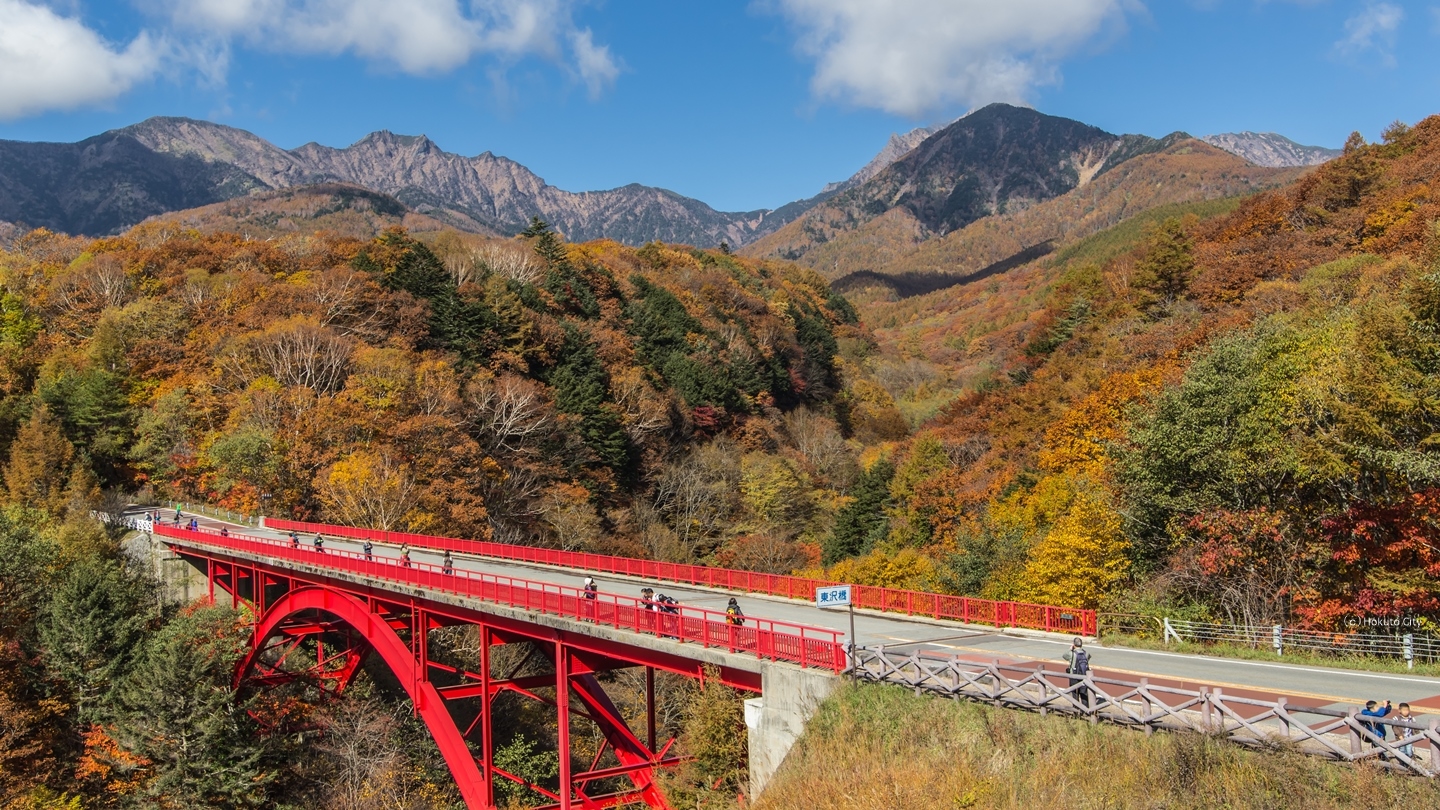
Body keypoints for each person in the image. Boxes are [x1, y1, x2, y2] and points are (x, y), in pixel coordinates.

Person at [1062, 637, 1092, 710]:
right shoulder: (1086, 653)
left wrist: (1070, 649)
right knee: (1084, 693)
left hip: (1074, 676)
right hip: (1084, 676)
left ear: (1074, 645)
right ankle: (1085, 709)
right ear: (1081, 645)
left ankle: (1076, 709)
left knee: (1075, 693)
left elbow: (1064, 656)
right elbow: (1089, 657)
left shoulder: (1072, 653)